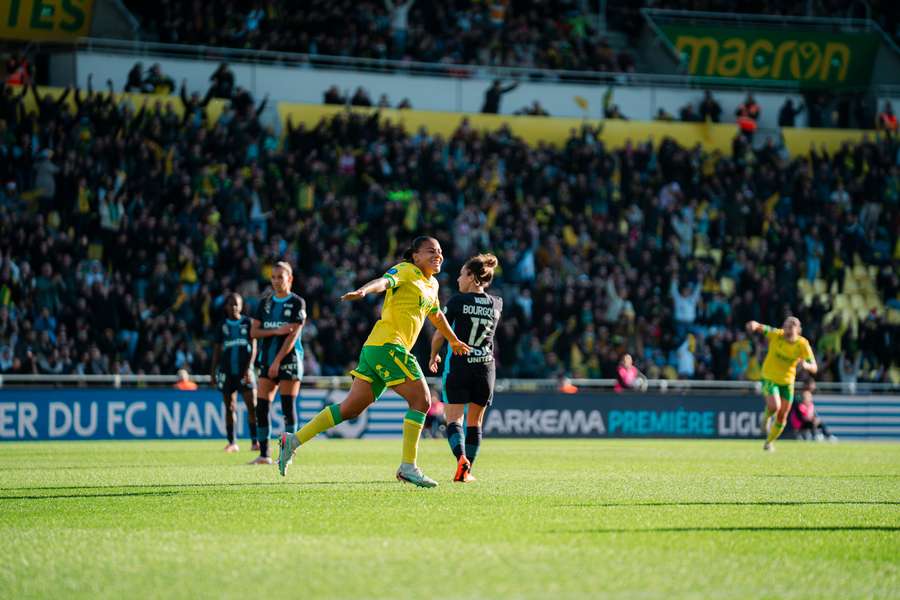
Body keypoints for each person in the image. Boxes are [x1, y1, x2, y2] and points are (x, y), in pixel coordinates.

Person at [277, 236, 471, 487]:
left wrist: (453, 340)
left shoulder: (432, 284)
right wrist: (364, 290)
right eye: (431, 251)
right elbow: (384, 281)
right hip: (389, 346)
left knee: (350, 409)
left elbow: (436, 316)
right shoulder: (406, 270)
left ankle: (292, 441)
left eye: (440, 251)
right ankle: (408, 466)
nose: (438, 255)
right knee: (422, 400)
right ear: (415, 256)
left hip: (375, 348)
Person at [429, 254, 502, 483]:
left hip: (459, 366)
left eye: (462, 274)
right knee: (475, 423)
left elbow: (440, 334)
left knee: (454, 421)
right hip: (485, 369)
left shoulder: (457, 302)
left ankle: (461, 459)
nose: (458, 279)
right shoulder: (497, 303)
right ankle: (466, 472)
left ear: (471, 277)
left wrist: (433, 355)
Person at [250, 262, 307, 465]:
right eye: (273, 277)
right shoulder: (265, 303)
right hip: (267, 359)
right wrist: (275, 331)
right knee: (261, 407)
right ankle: (264, 455)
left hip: (290, 360)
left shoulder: (297, 303)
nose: (276, 281)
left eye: (280, 277)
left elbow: (293, 335)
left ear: (289, 279)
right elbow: (254, 332)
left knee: (287, 407)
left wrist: (277, 361)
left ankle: (287, 455)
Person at [746, 317, 818, 451]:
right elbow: (762, 327)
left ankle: (769, 442)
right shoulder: (777, 335)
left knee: (782, 416)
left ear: (797, 330)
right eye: (785, 327)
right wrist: (754, 325)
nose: (786, 330)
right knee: (775, 406)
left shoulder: (802, 344)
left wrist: (806, 365)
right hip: (770, 377)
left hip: (787, 382)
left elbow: (814, 367)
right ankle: (766, 419)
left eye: (790, 328)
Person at [210, 293, 258, 453]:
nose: (234, 307)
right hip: (227, 371)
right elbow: (217, 351)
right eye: (231, 304)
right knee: (230, 407)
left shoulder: (248, 323)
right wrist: (213, 372)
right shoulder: (222, 326)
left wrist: (249, 368)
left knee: (253, 406)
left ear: (242, 305)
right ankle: (232, 442)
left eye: (237, 304)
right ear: (226, 307)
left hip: (245, 372)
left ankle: (255, 442)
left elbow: (254, 347)